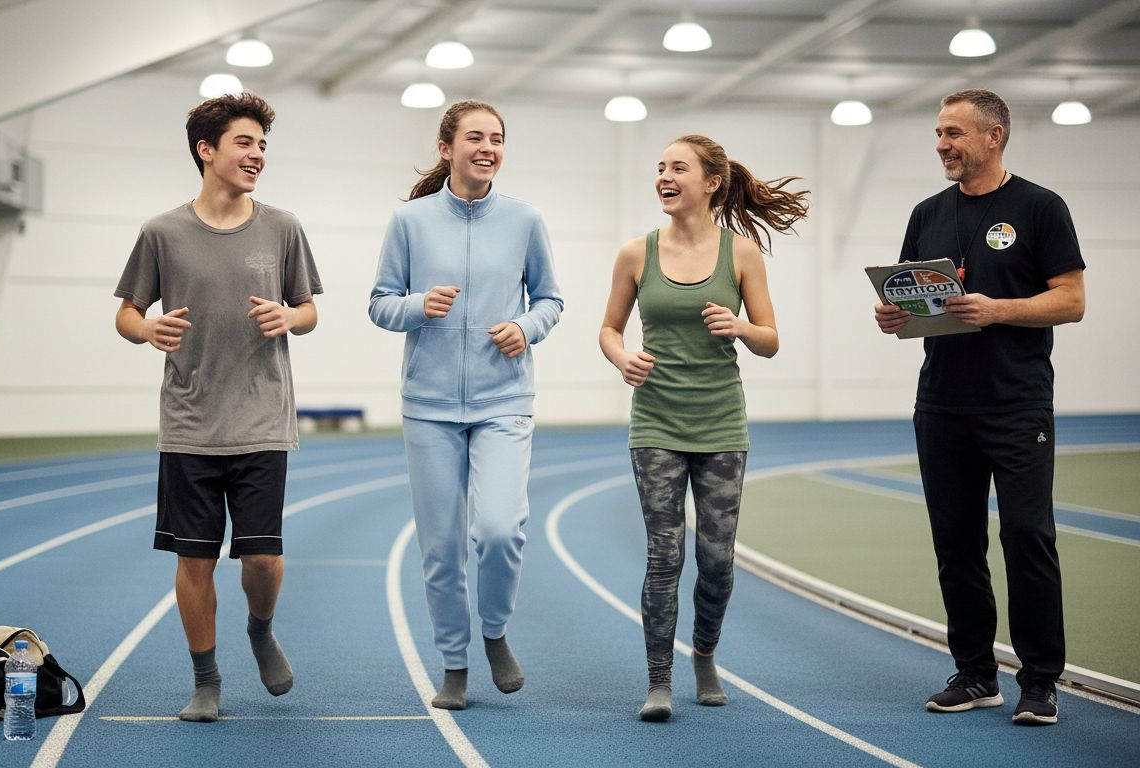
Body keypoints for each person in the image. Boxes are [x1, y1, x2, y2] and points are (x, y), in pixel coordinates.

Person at [874, 89, 1085, 726]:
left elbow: (1071, 301)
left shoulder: (1041, 207)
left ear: (994, 137)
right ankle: (974, 674)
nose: (943, 144)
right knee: (956, 543)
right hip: (941, 405)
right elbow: (918, 304)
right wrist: (895, 314)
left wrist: (997, 310)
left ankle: (1041, 681)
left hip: (1016, 405)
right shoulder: (926, 212)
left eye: (955, 133)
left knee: (1027, 537)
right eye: (939, 132)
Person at [114, 92, 322, 723]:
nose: (257, 154)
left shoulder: (283, 227)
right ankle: (206, 679)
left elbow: (309, 311)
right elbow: (125, 312)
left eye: (262, 144)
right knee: (195, 559)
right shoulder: (161, 233)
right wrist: (147, 330)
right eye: (244, 142)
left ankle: (260, 629)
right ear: (206, 151)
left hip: (262, 420)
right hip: (189, 424)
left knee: (261, 557)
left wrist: (291, 316)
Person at [600, 134, 808, 722]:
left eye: (678, 168)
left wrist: (740, 328)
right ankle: (658, 680)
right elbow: (609, 329)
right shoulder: (635, 254)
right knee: (664, 555)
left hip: (719, 423)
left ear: (711, 182)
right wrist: (622, 359)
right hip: (657, 423)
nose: (664, 177)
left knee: (716, 559)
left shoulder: (740, 255)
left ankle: (706, 655)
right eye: (660, 168)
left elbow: (770, 340)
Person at [368, 99, 563, 710]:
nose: (488, 148)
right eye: (475, 137)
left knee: (501, 530)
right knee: (441, 546)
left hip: (503, 399)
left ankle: (495, 631)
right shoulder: (410, 221)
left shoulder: (525, 220)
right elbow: (379, 303)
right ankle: (454, 663)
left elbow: (551, 300)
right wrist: (417, 304)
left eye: (497, 139)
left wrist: (525, 328)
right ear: (446, 148)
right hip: (428, 406)